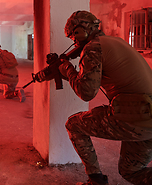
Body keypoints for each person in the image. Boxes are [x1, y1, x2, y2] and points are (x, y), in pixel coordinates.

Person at [58, 11, 152, 185]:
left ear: (81, 31)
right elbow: (92, 79)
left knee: (73, 125)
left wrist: (68, 70)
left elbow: (86, 93)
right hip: (146, 115)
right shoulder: (116, 41)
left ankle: (96, 180)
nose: (75, 42)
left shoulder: (93, 47)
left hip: (134, 116)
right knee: (131, 171)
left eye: (74, 37)